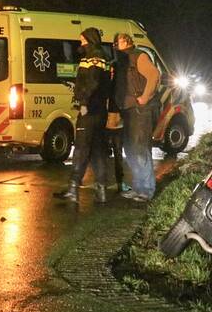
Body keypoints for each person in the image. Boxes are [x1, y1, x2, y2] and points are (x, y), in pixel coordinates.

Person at [55, 27, 111, 203]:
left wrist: (84, 102)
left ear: (89, 39)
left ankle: (73, 188)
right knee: (97, 151)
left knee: (81, 149)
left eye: (82, 40)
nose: (81, 43)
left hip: (90, 109)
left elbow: (93, 81)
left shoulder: (93, 56)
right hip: (100, 109)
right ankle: (101, 192)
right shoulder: (101, 56)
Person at [113, 32, 161, 201]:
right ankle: (139, 186)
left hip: (140, 110)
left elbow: (154, 75)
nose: (114, 45)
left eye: (117, 41)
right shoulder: (123, 60)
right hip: (128, 109)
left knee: (140, 149)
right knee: (131, 149)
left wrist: (144, 97)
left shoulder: (138, 56)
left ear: (126, 41)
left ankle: (146, 190)